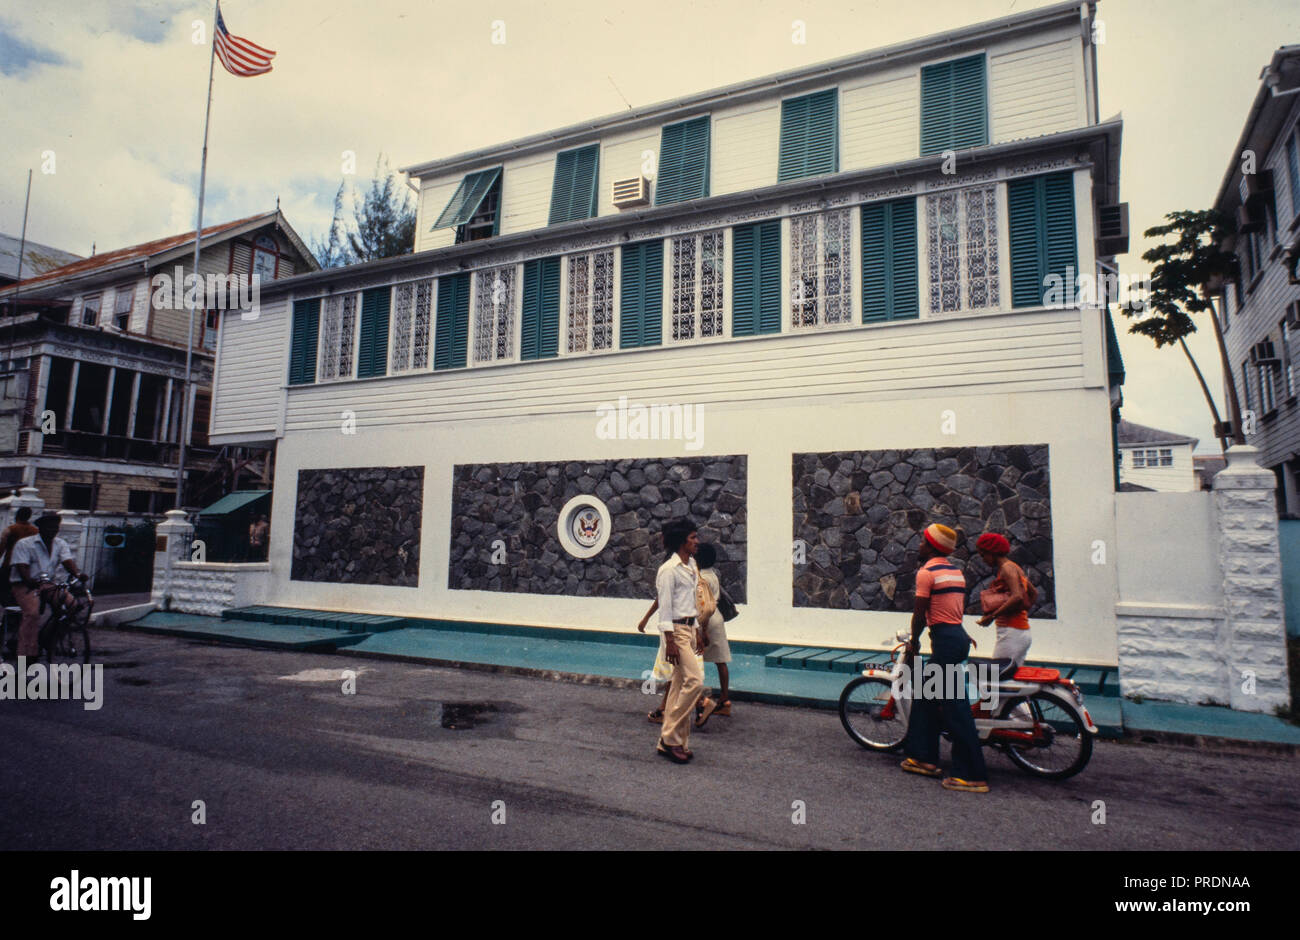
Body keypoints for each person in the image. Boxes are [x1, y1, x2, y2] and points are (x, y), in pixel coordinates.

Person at [899, 523, 990, 793]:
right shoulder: (955, 572)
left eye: (923, 541)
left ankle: (971, 775)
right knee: (926, 698)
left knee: (957, 710)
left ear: (932, 547)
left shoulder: (926, 573)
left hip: (946, 643)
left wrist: (913, 641)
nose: (919, 545)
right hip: (955, 638)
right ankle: (922, 758)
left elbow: (920, 614)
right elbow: (953, 611)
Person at [652, 519, 706, 764]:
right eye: (693, 537)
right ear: (682, 541)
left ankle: (677, 742)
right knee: (695, 681)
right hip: (674, 631)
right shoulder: (668, 569)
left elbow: (691, 603)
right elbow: (665, 609)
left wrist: (697, 630)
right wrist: (670, 641)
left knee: (678, 685)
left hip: (688, 628)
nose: (697, 541)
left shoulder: (691, 565)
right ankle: (669, 737)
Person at [10, 513, 85, 659]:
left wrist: (78, 574)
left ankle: (48, 639)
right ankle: (26, 653)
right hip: (23, 584)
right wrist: (30, 581)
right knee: (32, 613)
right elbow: (22, 566)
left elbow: (67, 561)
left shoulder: (60, 543)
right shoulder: (25, 544)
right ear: (40, 528)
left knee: (73, 606)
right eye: (49, 527)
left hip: (47, 584)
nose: (52, 530)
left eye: (55, 527)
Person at [974, 532, 1033, 670]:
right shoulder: (1015, 567)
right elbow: (1033, 593)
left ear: (992, 552)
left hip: (1011, 633)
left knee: (993, 678)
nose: (983, 560)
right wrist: (1020, 612)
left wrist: (992, 617)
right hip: (1021, 631)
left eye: (983, 555)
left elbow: (1017, 596)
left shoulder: (1006, 569)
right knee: (1009, 679)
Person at [694, 543, 731, 726]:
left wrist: (702, 630)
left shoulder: (701, 578)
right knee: (720, 660)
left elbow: (703, 605)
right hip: (718, 619)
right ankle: (725, 699)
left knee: (693, 663)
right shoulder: (713, 575)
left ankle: (699, 701)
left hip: (706, 620)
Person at [0, 507, 38, 603]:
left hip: (10, 563)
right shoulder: (35, 531)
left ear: (17, 516)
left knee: (4, 589)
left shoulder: (10, 529)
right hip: (27, 566)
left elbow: (2, 547)